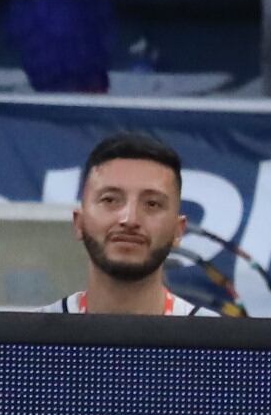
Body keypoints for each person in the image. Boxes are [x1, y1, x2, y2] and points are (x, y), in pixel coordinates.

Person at [61, 129, 204, 316]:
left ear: (178, 231)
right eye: (110, 200)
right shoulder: (27, 341)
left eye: (152, 204)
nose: (130, 219)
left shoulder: (221, 342)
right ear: (79, 223)